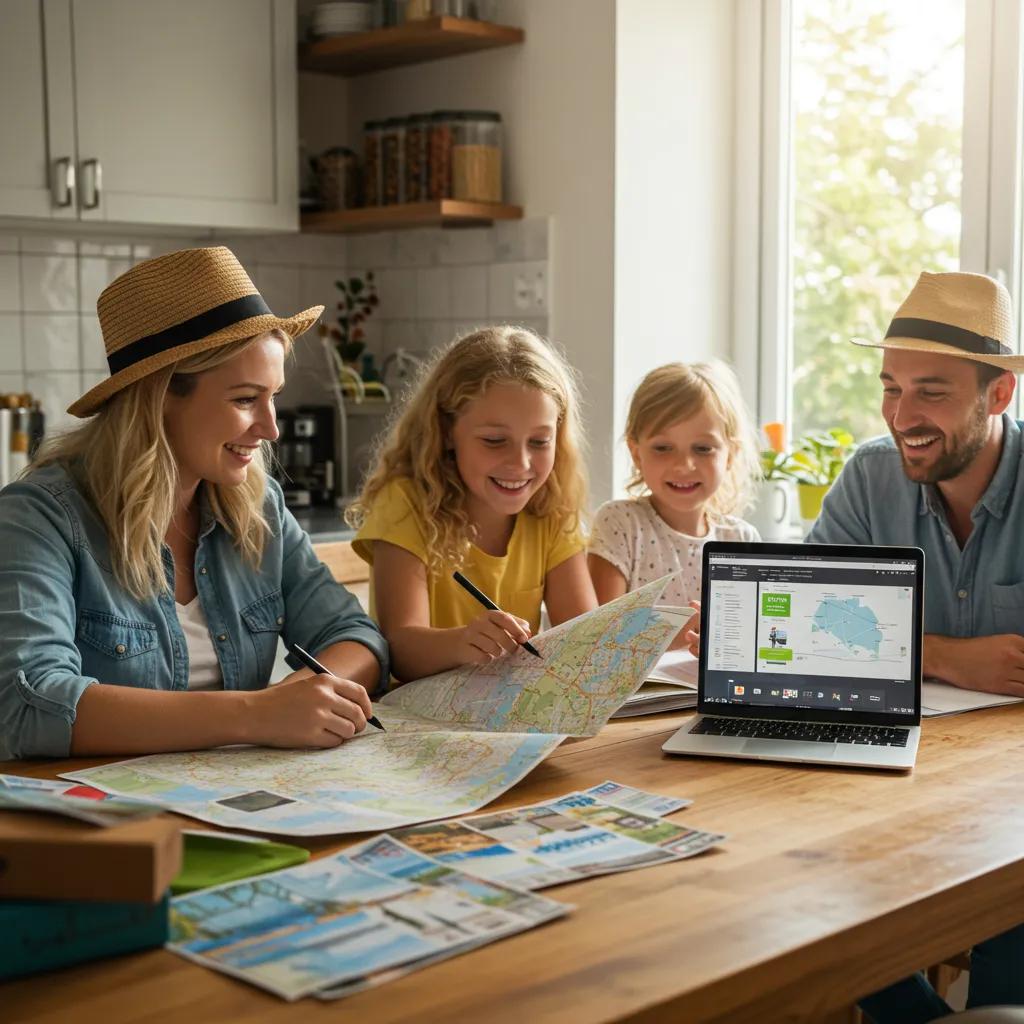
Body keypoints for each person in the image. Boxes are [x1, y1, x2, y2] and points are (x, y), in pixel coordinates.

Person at [0, 247, 388, 761]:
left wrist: (308, 699)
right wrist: (257, 713)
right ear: (159, 398)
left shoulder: (259, 506)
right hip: (103, 825)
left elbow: (353, 634)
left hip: (233, 801)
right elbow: (28, 706)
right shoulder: (38, 518)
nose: (271, 428)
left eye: (273, 397)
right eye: (245, 399)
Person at [806, 271, 1024, 1022]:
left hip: (1013, 790)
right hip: (894, 774)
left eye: (931, 391)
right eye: (890, 387)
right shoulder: (870, 476)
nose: (902, 415)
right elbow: (807, 628)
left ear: (998, 397)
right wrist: (946, 656)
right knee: (812, 886)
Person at [348, 326, 597, 682]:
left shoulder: (552, 508)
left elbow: (584, 638)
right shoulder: (405, 504)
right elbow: (400, 650)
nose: (521, 463)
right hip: (418, 718)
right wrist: (462, 643)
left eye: (540, 442)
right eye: (495, 440)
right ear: (446, 431)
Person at [587, 362, 760, 642]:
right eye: (663, 448)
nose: (684, 465)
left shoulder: (741, 539)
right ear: (636, 452)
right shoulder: (620, 523)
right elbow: (600, 637)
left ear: (730, 454)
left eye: (703, 449)